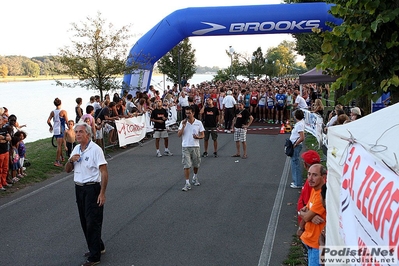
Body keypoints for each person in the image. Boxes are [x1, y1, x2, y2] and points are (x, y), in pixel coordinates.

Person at [65, 122, 108, 266]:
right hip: (79, 188)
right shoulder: (76, 148)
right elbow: (67, 170)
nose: (77, 134)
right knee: (84, 220)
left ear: (88, 134)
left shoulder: (96, 150)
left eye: (80, 132)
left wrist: (102, 193)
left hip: (92, 188)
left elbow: (104, 172)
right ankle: (98, 246)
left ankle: (94, 257)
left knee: (92, 221)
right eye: (76, 132)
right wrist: (71, 160)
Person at [297, 164, 327, 266]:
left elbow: (305, 215)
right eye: (309, 174)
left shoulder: (321, 195)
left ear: (323, 177)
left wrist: (305, 214)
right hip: (311, 242)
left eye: (314, 175)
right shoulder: (314, 190)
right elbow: (306, 211)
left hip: (317, 245)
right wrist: (309, 216)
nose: (310, 178)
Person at [177, 106, 205, 192]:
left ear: (193, 113)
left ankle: (195, 177)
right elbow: (179, 135)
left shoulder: (198, 123)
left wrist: (198, 137)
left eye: (189, 113)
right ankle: (187, 183)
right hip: (185, 146)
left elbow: (203, 134)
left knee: (196, 165)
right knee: (187, 165)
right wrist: (183, 126)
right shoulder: (183, 123)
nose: (187, 115)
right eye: (186, 113)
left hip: (195, 146)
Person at [296, 150, 321, 224]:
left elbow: (308, 204)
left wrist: (301, 227)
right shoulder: (323, 177)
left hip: (309, 224)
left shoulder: (311, 183)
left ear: (305, 165)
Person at [47, 98, 69, 167]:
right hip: (61, 129)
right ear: (61, 103)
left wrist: (51, 126)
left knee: (60, 144)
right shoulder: (63, 112)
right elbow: (67, 121)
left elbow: (48, 121)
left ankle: (62, 157)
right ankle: (57, 161)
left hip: (55, 129)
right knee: (59, 146)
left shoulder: (52, 112)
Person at [290, 109, 305, 189]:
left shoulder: (299, 125)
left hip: (296, 145)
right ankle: (297, 181)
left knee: (295, 163)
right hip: (295, 144)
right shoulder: (300, 123)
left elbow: (302, 137)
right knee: (294, 162)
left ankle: (298, 182)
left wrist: (295, 144)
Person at [0, 115, 12, 191]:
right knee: (0, 169)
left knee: (5, 168)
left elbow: (9, 138)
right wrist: (6, 139)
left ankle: (4, 182)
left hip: (6, 151)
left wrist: (4, 138)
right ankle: (0, 185)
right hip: (0, 152)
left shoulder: (4, 128)